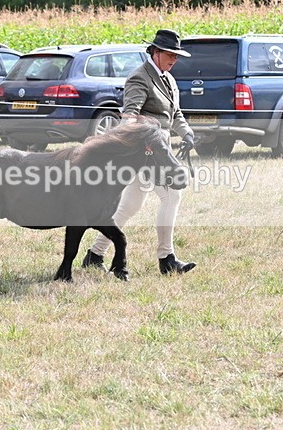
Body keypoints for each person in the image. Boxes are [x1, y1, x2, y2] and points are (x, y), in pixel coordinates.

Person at [82, 30, 197, 274]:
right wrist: (138, 143)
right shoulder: (139, 78)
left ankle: (94, 254)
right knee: (171, 196)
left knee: (129, 206)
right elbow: (130, 116)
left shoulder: (168, 79)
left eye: (177, 56)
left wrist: (186, 132)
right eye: (170, 54)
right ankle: (167, 259)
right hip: (147, 153)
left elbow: (175, 114)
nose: (174, 59)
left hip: (160, 150)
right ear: (155, 52)